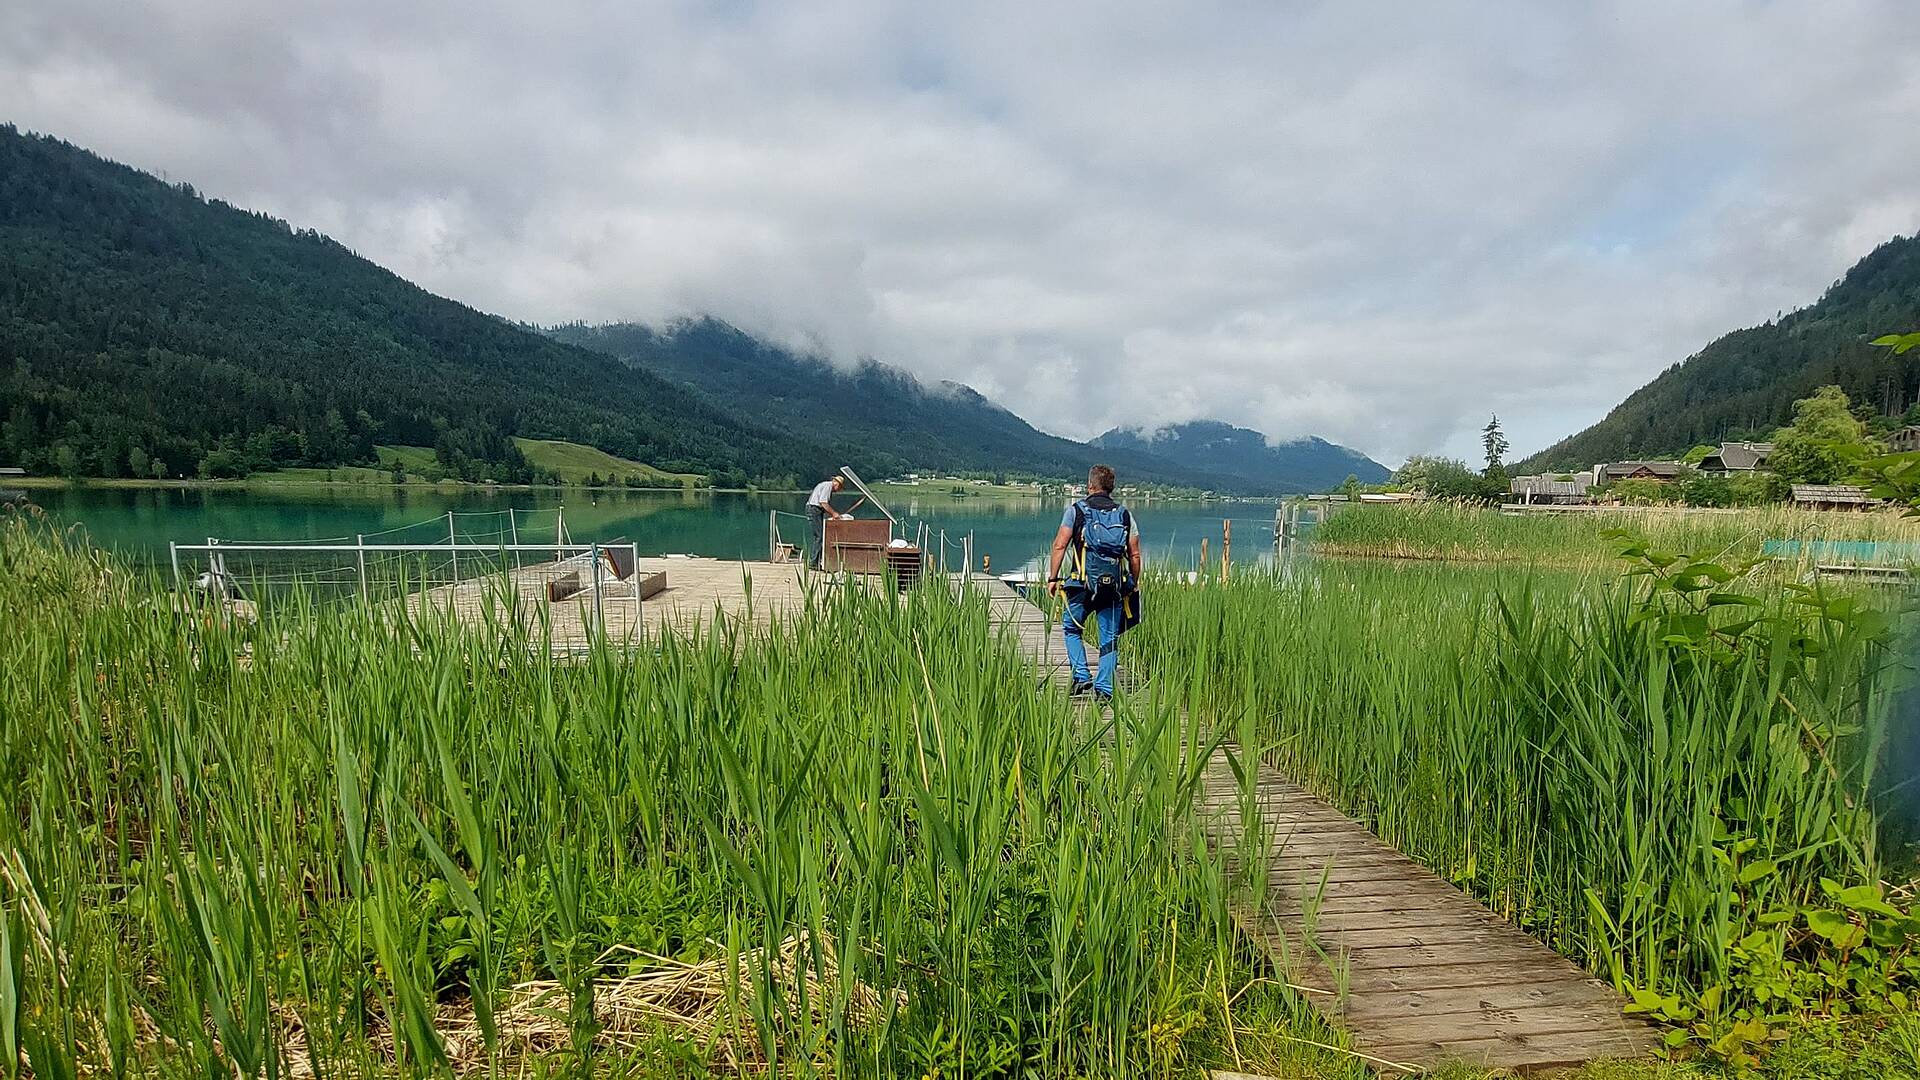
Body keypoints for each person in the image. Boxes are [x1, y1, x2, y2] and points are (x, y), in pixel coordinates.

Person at [1046, 464, 1144, 700]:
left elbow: (1060, 545)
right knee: (1109, 638)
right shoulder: (1124, 514)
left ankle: (1081, 677)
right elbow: (1135, 555)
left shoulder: (1075, 511)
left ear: (1090, 485)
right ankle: (1105, 689)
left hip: (1080, 586)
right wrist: (1132, 583)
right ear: (1112, 487)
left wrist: (1053, 577)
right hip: (1113, 588)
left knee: (1071, 628)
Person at [805, 473, 849, 570]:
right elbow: (823, 503)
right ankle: (813, 563)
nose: (838, 490)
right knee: (819, 537)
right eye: (839, 487)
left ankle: (816, 562)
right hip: (814, 510)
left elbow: (823, 505)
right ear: (836, 483)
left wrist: (832, 514)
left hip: (815, 509)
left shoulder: (825, 485)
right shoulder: (828, 486)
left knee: (819, 536)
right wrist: (834, 513)